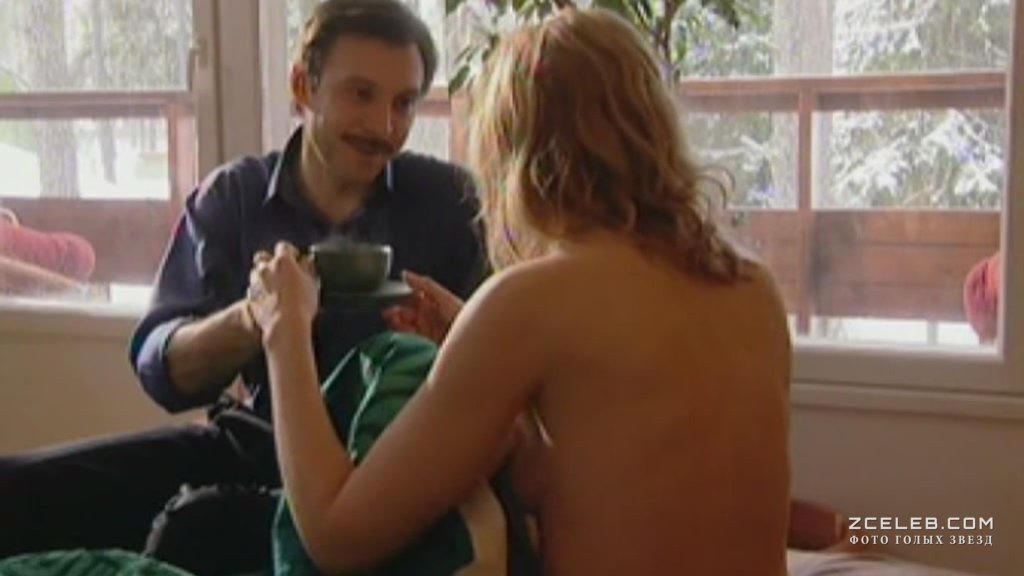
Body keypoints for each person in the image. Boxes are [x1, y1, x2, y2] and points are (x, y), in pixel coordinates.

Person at [250, 7, 791, 575]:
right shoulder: (753, 288)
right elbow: (602, 482)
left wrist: (285, 327)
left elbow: (337, 536)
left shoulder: (532, 301)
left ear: (517, 154)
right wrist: (480, 355)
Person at [0, 0, 484, 573]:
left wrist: (452, 339)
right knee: (18, 491)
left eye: (403, 103)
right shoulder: (234, 197)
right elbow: (161, 369)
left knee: (194, 527)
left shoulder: (449, 203)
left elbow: (502, 364)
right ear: (303, 87)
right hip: (256, 444)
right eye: (361, 95)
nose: (384, 127)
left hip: (389, 472)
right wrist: (255, 317)